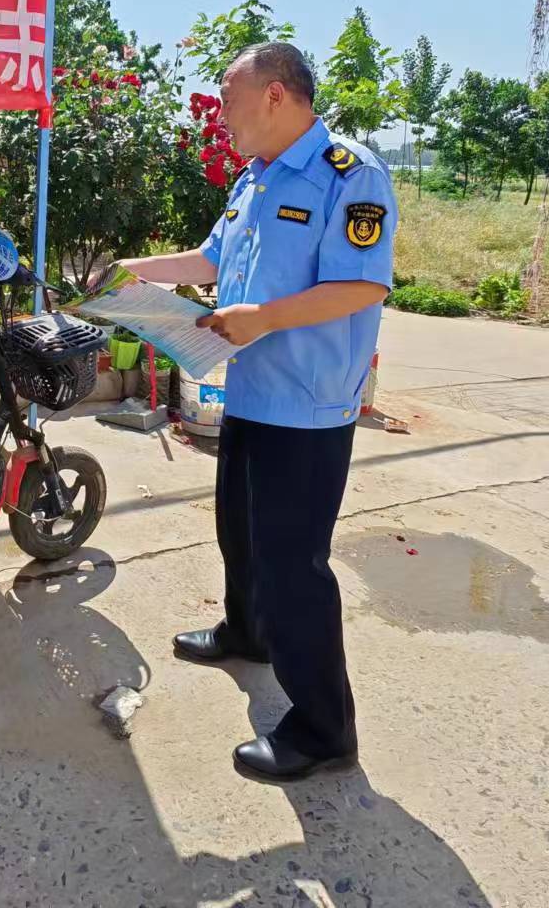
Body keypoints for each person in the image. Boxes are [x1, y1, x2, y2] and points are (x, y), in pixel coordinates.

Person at [115, 42, 397, 781]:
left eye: (229, 100)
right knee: (239, 534)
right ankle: (249, 632)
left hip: (306, 404)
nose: (221, 117)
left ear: (275, 95)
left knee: (293, 564)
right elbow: (210, 260)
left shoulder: (351, 174)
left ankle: (325, 728)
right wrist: (130, 274)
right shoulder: (256, 176)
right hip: (249, 391)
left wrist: (264, 318)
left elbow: (363, 286)